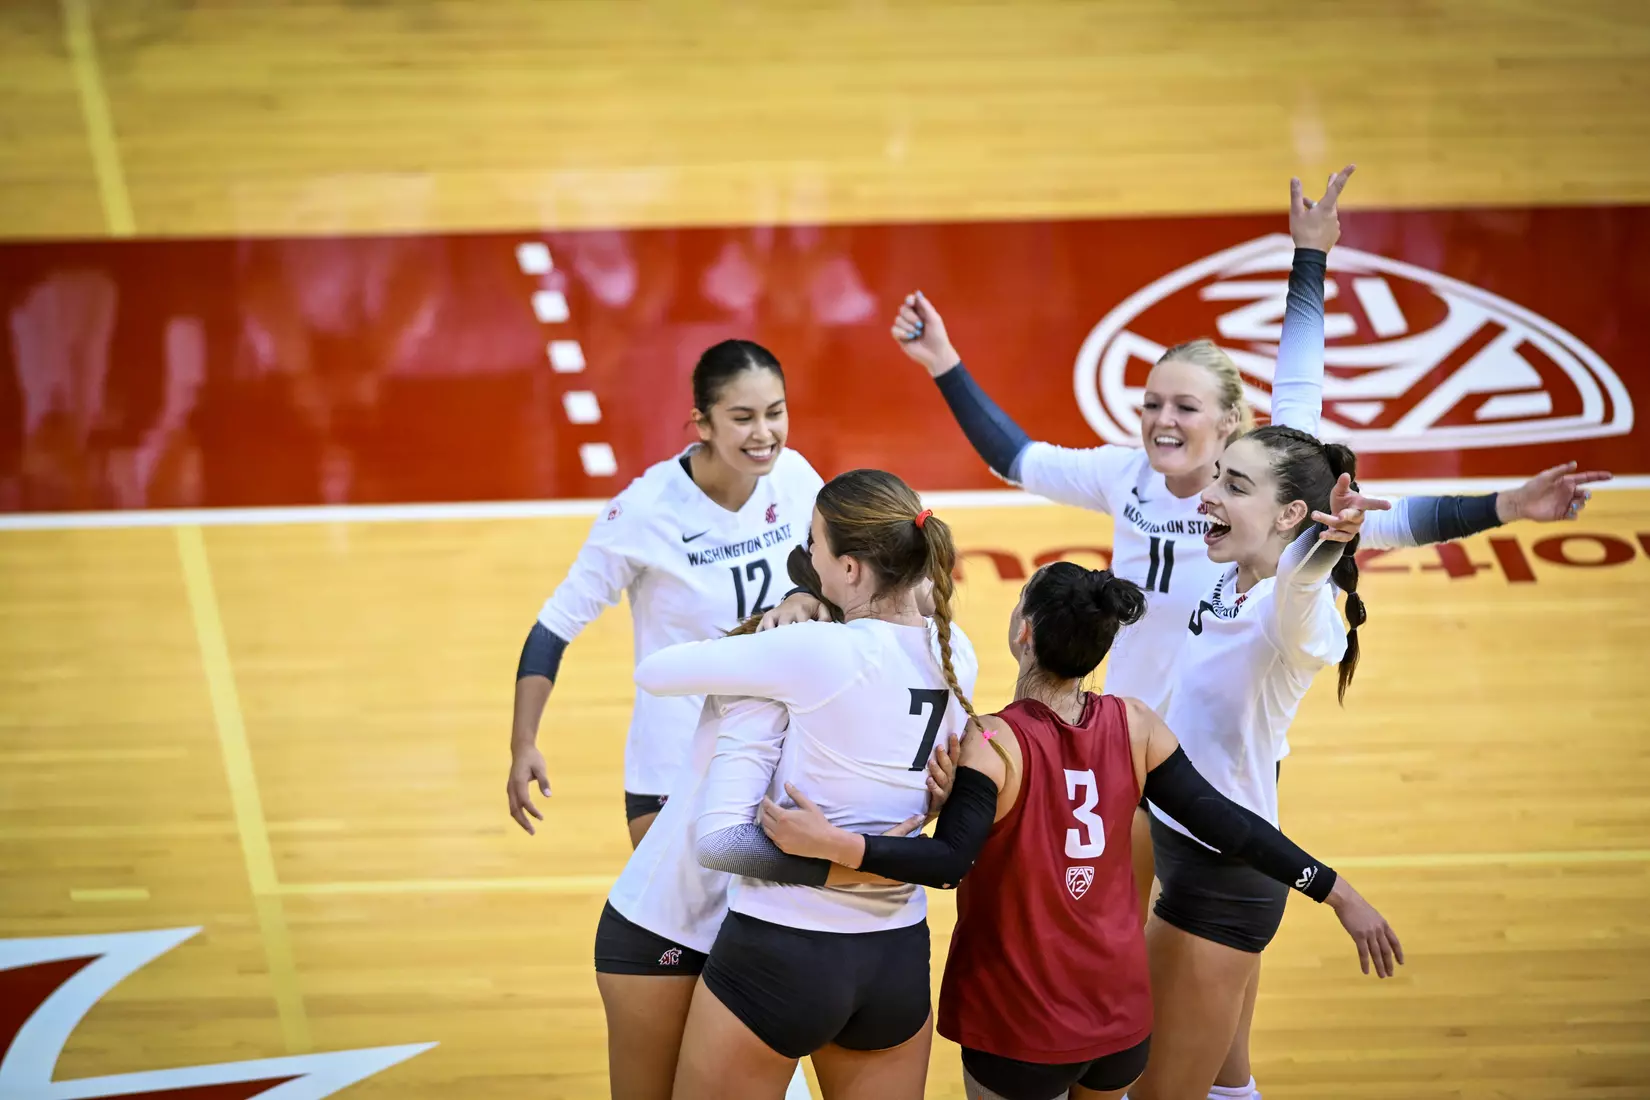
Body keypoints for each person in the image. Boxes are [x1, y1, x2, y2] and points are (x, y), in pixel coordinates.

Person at [758, 561, 1401, 1100]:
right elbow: (1232, 825)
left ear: (1023, 633)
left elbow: (949, 864)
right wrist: (1337, 892)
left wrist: (833, 842)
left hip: (1021, 1025)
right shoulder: (1137, 724)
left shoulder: (992, 740)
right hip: (1118, 1027)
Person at [630, 469, 978, 1100]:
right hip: (896, 952)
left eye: (814, 543)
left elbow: (657, 672)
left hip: (781, 950)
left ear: (849, 569)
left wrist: (778, 619)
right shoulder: (960, 652)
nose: (805, 557)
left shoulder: (817, 651)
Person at [506, 339, 826, 848]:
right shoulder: (645, 511)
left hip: (781, 748)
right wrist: (523, 743)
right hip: (677, 757)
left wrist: (805, 598)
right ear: (703, 424)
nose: (764, 434)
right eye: (743, 417)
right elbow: (554, 626)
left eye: (775, 412)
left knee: (771, 922)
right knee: (668, 927)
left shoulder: (796, 478)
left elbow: (842, 583)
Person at [594, 548, 872, 1100]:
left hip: (759, 933)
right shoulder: (775, 655)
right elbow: (656, 673)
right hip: (667, 928)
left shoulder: (868, 673)